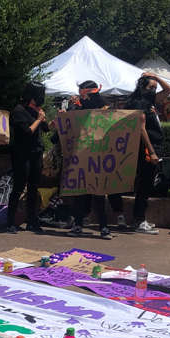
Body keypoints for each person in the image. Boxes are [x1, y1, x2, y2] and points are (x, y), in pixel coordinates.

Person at [66, 81, 124, 240]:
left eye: (84, 94)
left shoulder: (104, 108)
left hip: (99, 157)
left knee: (99, 194)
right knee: (80, 194)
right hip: (82, 156)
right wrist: (72, 108)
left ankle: (103, 227)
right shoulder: (78, 107)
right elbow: (70, 125)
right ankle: (78, 224)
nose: (82, 97)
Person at [124, 72, 170, 234]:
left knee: (147, 184)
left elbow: (169, 90)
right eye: (151, 87)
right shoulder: (138, 103)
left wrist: (156, 77)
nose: (154, 90)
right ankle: (139, 220)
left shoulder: (150, 101)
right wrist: (151, 151)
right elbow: (141, 128)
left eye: (155, 88)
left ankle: (139, 219)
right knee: (144, 184)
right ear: (142, 87)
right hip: (145, 148)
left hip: (153, 146)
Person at [6, 81, 48, 234]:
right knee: (18, 187)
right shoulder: (19, 111)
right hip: (21, 154)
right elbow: (26, 132)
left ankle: (32, 220)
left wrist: (46, 120)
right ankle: (10, 221)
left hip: (36, 152)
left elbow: (46, 127)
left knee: (33, 188)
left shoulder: (36, 110)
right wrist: (38, 119)